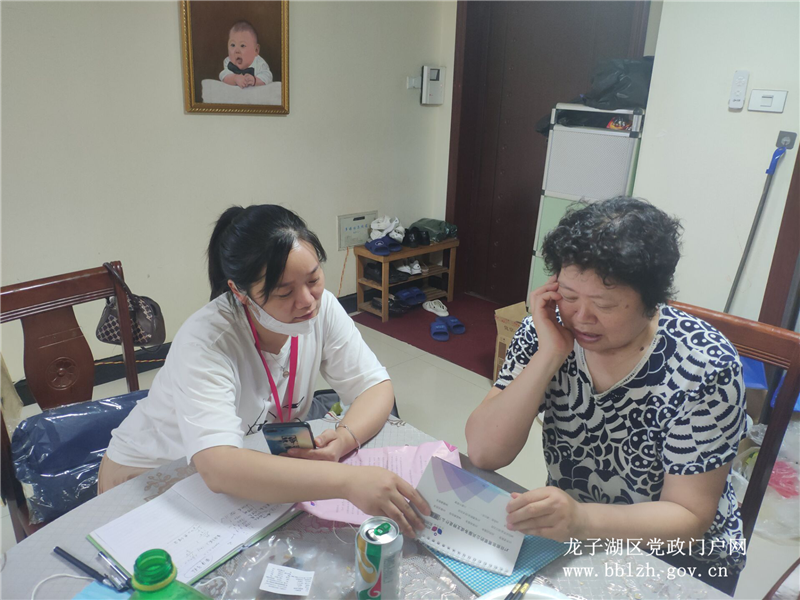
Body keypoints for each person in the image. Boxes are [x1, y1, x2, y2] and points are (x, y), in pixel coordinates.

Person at [465, 197, 746, 593]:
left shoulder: (704, 366)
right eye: (569, 296)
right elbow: (484, 452)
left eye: (605, 304)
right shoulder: (546, 332)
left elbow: (688, 517)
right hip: (574, 536)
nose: (581, 318)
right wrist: (549, 355)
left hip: (678, 558)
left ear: (652, 301)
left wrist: (582, 520)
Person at [100, 204, 430, 537]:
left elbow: (374, 386)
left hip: (245, 460)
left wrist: (343, 439)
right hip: (153, 473)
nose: (307, 301)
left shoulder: (322, 308)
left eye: (314, 279)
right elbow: (218, 468)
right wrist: (347, 481)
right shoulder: (207, 341)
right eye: (284, 292)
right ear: (240, 293)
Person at [220, 21, 273, 89]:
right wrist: (235, 78)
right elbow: (223, 76)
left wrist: (255, 80)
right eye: (233, 45)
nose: (237, 51)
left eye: (242, 46)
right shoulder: (228, 61)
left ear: (256, 50)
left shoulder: (259, 63)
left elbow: (268, 77)